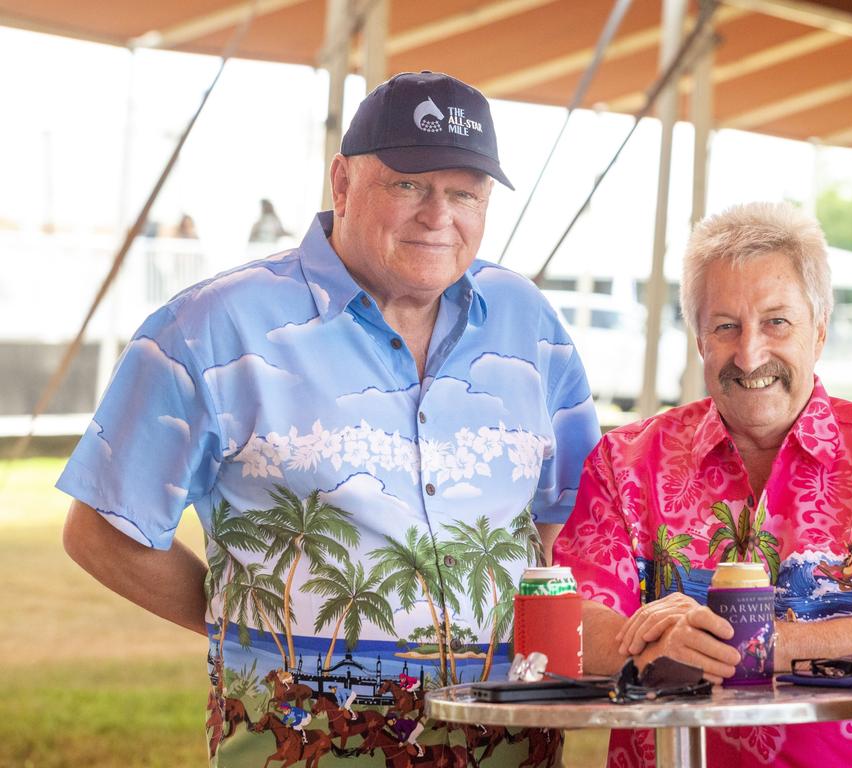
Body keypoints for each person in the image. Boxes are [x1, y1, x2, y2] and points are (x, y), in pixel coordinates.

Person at [59, 71, 600, 766]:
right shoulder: (208, 329)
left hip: (509, 748)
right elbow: (102, 531)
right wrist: (248, 625)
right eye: (408, 184)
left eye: (465, 192)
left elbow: (567, 519)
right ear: (341, 183)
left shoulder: (533, 326)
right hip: (302, 743)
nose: (439, 214)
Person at [554, 201, 852, 767]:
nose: (750, 353)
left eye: (776, 321)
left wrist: (763, 644)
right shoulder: (626, 463)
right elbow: (567, 617)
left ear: (818, 331)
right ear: (699, 339)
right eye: (725, 326)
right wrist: (653, 649)